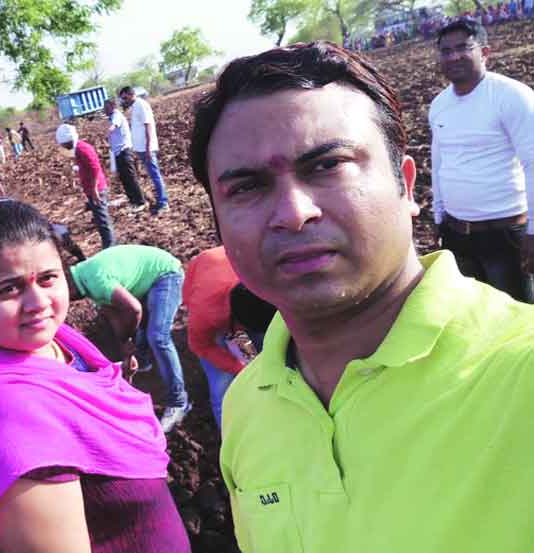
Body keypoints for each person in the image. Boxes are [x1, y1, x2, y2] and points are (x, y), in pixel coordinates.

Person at [189, 41, 534, 553]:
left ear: (407, 186)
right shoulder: (247, 405)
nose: (293, 212)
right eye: (247, 188)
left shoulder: (518, 373)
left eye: (328, 166)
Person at [0, 200, 190, 553]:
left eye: (48, 278)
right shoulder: (9, 418)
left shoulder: (57, 342)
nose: (37, 301)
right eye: (9, 288)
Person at [430, 19, 534, 302]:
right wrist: (439, 216)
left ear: (485, 52)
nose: (453, 56)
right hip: (457, 233)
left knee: (517, 322)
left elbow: (532, 163)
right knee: (473, 315)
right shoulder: (439, 104)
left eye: (463, 48)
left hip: (505, 234)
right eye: (446, 51)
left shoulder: (512, 96)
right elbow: (439, 162)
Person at [67, 244, 191, 432]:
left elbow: (133, 309)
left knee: (158, 337)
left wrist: (128, 337)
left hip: (166, 274)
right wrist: (124, 344)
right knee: (138, 327)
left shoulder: (96, 282)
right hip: (143, 281)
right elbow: (113, 314)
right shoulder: (82, 277)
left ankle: (179, 402)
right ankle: (143, 361)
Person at [182, 247, 275, 429]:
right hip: (204, 278)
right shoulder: (206, 313)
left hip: (227, 267)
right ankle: (229, 443)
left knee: (256, 359)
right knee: (221, 387)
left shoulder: (266, 282)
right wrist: (237, 367)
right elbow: (200, 346)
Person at [55, 124, 116, 249]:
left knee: (103, 220)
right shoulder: (78, 149)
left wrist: (94, 190)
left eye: (63, 144)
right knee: (99, 219)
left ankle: (111, 247)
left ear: (68, 142)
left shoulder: (82, 149)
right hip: (92, 189)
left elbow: (95, 169)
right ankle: (109, 244)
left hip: (97, 189)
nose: (63, 147)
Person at [119, 86, 169, 215]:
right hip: (141, 148)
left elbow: (148, 126)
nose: (124, 100)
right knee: (153, 175)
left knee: (155, 175)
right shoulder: (135, 106)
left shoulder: (141, 105)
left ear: (131, 94)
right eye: (122, 98)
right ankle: (160, 200)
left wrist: (147, 148)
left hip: (147, 148)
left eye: (125, 97)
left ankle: (164, 203)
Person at [104, 98, 146, 211]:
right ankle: (133, 201)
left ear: (112, 107)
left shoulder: (116, 115)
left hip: (124, 151)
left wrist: (107, 134)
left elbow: (114, 126)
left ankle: (140, 202)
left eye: (106, 107)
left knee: (130, 178)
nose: (104, 110)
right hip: (118, 152)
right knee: (124, 179)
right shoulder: (112, 116)